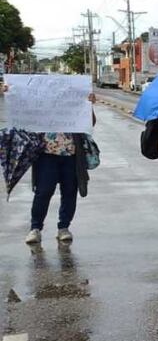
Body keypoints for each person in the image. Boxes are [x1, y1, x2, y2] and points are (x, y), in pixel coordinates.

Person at [9, 82, 97, 245]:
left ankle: (64, 227)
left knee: (70, 192)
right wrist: (11, 93)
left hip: (71, 157)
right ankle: (35, 228)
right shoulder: (40, 108)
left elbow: (89, 123)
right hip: (46, 157)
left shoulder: (74, 106)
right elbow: (22, 116)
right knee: (43, 192)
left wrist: (88, 105)